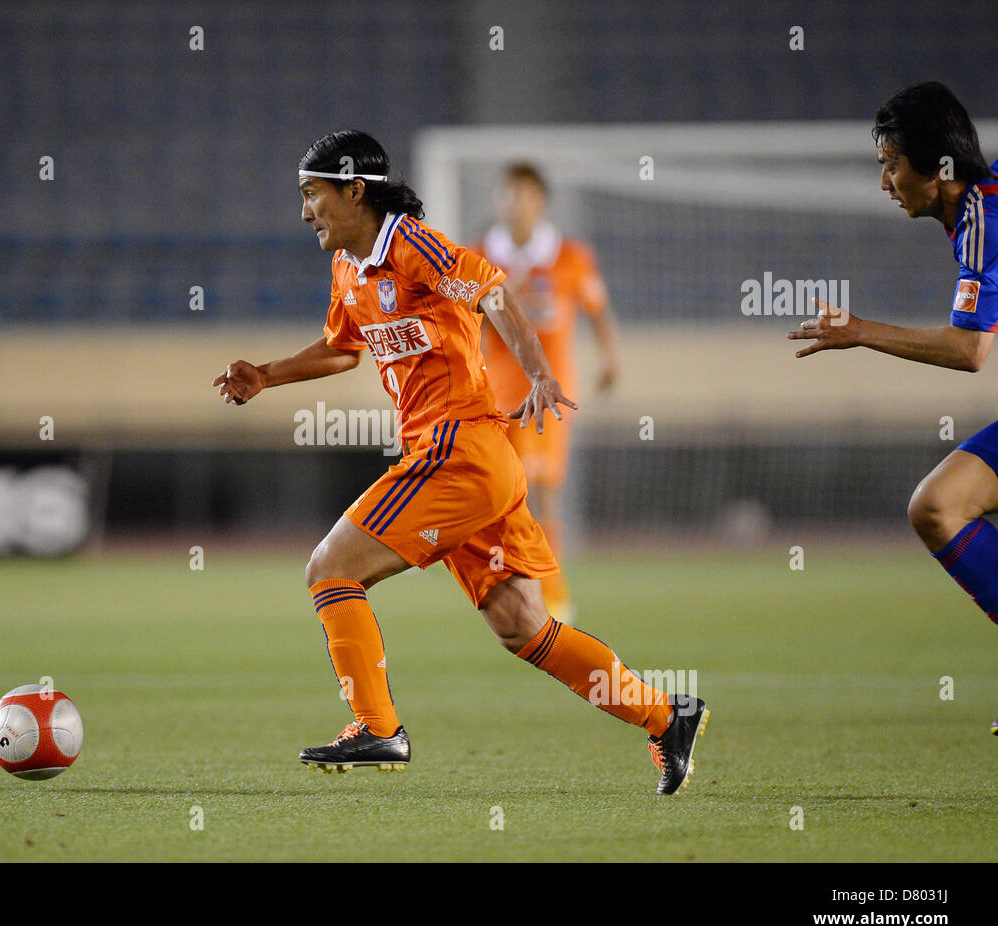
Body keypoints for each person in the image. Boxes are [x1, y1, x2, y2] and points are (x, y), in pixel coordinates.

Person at [214, 130, 708, 792]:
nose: (305, 211)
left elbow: (495, 293)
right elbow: (344, 348)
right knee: (524, 626)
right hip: (473, 463)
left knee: (330, 569)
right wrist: (266, 375)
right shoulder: (348, 269)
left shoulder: (412, 243)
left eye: (313, 194)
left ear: (353, 190)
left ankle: (379, 728)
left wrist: (537, 371)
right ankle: (666, 715)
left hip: (459, 451)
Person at [787, 82, 998, 734]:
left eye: (890, 163)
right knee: (937, 505)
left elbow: (969, 349)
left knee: (940, 505)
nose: (884, 180)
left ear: (938, 167)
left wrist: (859, 331)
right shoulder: (974, 216)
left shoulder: (985, 217)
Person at [476, 162, 621, 622]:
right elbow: (466, 322)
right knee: (500, 495)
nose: (515, 203)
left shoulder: (571, 256)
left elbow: (596, 308)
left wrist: (610, 358)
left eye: (524, 194)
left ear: (541, 201)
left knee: (542, 490)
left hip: (549, 395)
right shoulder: (478, 257)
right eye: (507, 194)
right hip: (494, 395)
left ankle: (551, 589)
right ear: (497, 201)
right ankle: (513, 580)